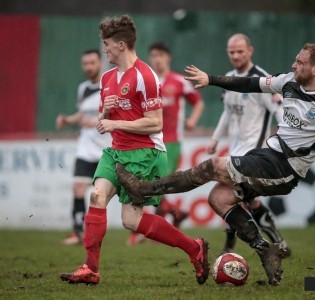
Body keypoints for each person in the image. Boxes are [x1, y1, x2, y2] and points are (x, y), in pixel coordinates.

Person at [115, 43, 315, 286]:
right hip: (267, 155)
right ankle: (265, 249)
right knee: (218, 199)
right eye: (295, 60)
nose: (294, 65)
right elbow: (250, 84)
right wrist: (210, 79)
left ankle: (143, 189)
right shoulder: (289, 81)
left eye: (300, 62)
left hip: (285, 169)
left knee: (211, 167)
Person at [60, 15, 209, 286]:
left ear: (120, 45)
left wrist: (114, 120)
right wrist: (106, 110)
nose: (104, 49)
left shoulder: (146, 76)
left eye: (106, 44)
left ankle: (194, 248)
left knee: (131, 220)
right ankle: (90, 268)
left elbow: (156, 122)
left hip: (145, 153)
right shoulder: (106, 78)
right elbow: (103, 119)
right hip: (115, 151)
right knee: (96, 196)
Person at [208, 33, 290, 256]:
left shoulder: (262, 80)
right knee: (248, 202)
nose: (235, 56)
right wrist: (215, 138)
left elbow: (278, 110)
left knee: (225, 197)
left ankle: (230, 248)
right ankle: (278, 242)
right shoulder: (229, 77)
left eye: (240, 51)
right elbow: (227, 112)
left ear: (250, 51)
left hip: (254, 154)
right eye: (232, 52)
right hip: (236, 150)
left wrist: (285, 141)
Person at [128, 42, 205, 245]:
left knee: (158, 185)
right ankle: (175, 215)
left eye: (161, 54)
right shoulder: (145, 82)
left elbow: (198, 101)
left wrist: (192, 121)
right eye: (153, 55)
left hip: (171, 143)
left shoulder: (179, 81)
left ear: (168, 57)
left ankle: (151, 228)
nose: (157, 59)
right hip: (147, 141)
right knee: (148, 185)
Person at [56, 49, 112, 245]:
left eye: (92, 63)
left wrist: (97, 120)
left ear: (100, 63)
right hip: (85, 148)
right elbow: (81, 115)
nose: (88, 67)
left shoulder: (109, 86)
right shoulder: (83, 88)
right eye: (85, 63)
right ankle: (77, 233)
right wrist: (67, 119)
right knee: (78, 188)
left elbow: (116, 113)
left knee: (101, 194)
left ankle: (97, 232)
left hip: (106, 149)